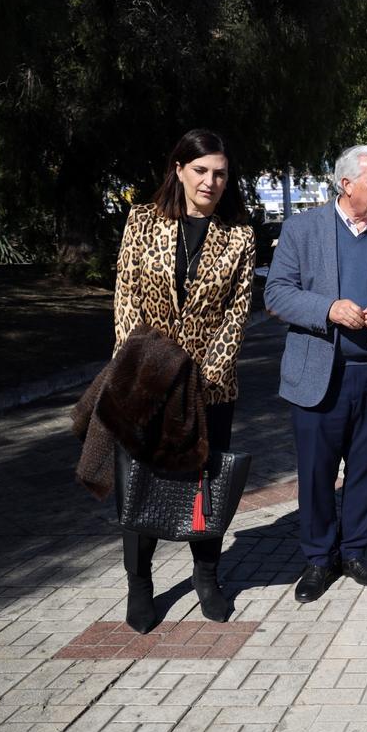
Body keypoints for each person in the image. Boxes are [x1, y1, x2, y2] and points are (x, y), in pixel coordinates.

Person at [112, 128, 255, 633]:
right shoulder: (141, 222)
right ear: (178, 169)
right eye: (200, 171)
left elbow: (236, 318)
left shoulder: (239, 235)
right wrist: (149, 377)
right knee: (139, 482)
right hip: (146, 385)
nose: (210, 182)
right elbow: (126, 300)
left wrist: (197, 379)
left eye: (219, 173)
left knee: (204, 483)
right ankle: (139, 583)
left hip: (209, 389)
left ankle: (208, 576)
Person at [264, 146, 367, 603]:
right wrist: (328, 309)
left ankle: (354, 552)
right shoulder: (302, 229)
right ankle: (317, 559)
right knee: (315, 474)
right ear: (345, 184)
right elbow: (277, 294)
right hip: (318, 376)